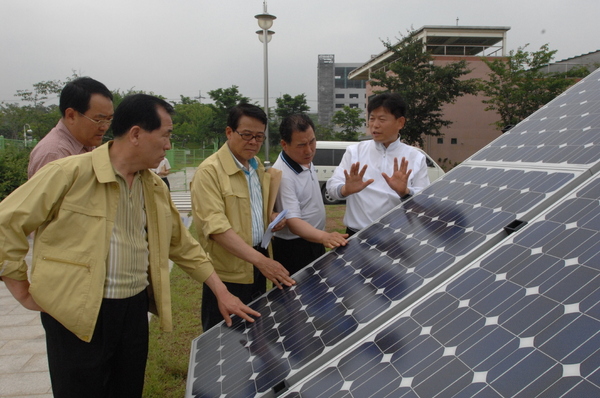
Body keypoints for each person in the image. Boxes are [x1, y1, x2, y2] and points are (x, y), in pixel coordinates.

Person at [0, 94, 259, 398]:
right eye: (165, 135)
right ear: (136, 134)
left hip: (133, 312)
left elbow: (183, 244)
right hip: (77, 312)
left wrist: (221, 290)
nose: (168, 146)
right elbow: (7, 222)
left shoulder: (152, 187)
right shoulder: (69, 173)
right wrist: (19, 287)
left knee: (127, 388)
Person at [191, 103, 296, 331]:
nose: (254, 142)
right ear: (229, 132)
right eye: (246, 135)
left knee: (255, 333)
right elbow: (217, 229)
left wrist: (270, 218)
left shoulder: (256, 165)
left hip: (257, 263)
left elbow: (250, 210)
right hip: (228, 272)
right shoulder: (209, 172)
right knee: (225, 336)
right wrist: (262, 261)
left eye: (259, 137)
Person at [326, 93, 430, 236]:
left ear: (400, 122)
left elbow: (424, 199)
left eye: (381, 119)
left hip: (398, 238)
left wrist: (405, 192)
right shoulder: (354, 152)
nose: (375, 125)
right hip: (356, 235)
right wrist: (345, 189)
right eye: (372, 118)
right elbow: (331, 187)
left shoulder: (415, 157)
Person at [271, 114, 348, 275]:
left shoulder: (303, 159)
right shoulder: (283, 175)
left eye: (312, 141)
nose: (309, 150)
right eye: (301, 145)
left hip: (314, 240)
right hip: (295, 248)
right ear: (284, 144)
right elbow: (293, 222)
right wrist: (324, 237)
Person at [28, 77, 114, 178]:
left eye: (109, 119)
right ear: (71, 116)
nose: (105, 127)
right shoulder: (54, 154)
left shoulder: (86, 144)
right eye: (98, 120)